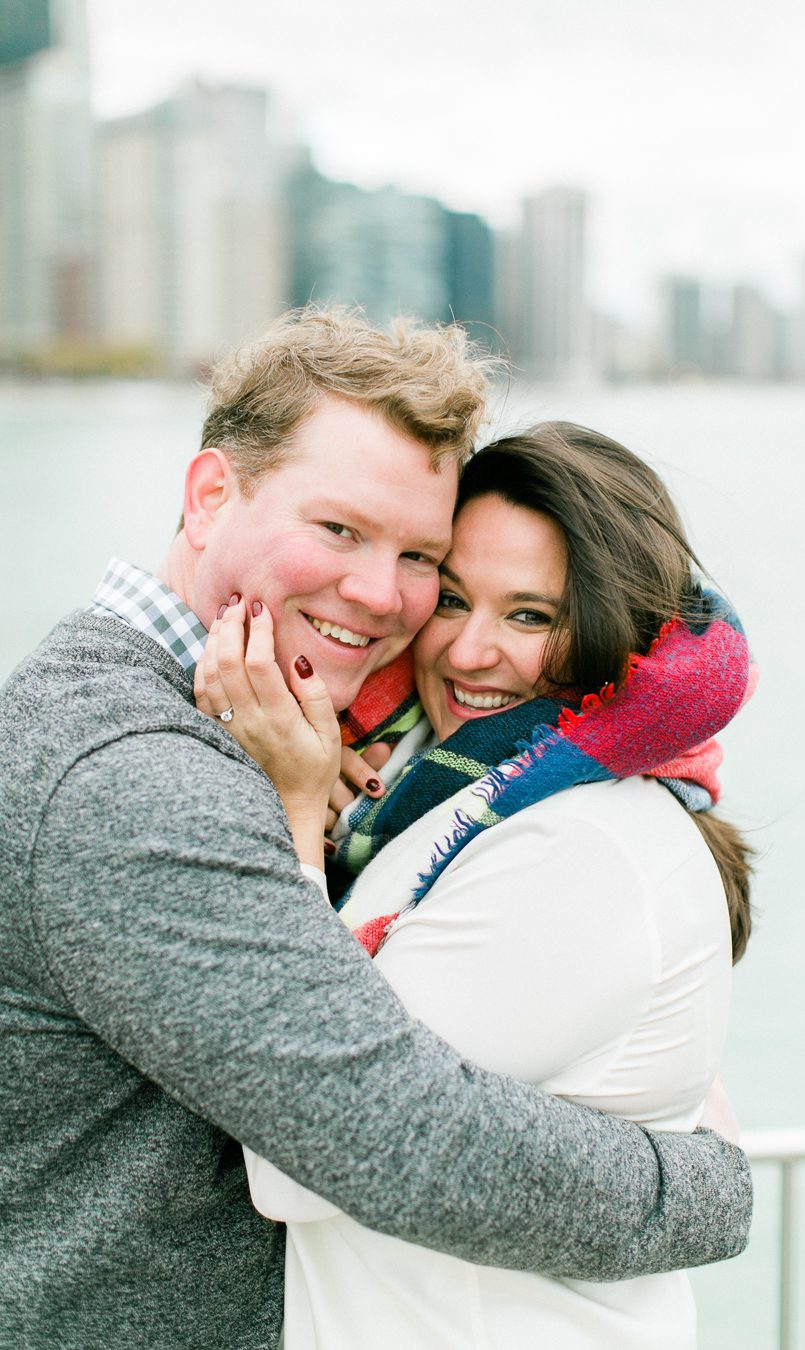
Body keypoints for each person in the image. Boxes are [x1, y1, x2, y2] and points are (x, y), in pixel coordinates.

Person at [0, 309, 751, 1350]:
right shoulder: (142, 780)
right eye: (339, 530)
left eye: (416, 556)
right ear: (210, 495)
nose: (380, 596)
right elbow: (393, 1135)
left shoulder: (255, 734)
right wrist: (700, 1185)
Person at [197, 421, 756, 1349]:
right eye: (451, 599)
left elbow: (302, 1158)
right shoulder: (452, 790)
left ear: (613, 634)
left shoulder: (576, 847)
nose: (466, 652)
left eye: (530, 616)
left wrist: (294, 814)